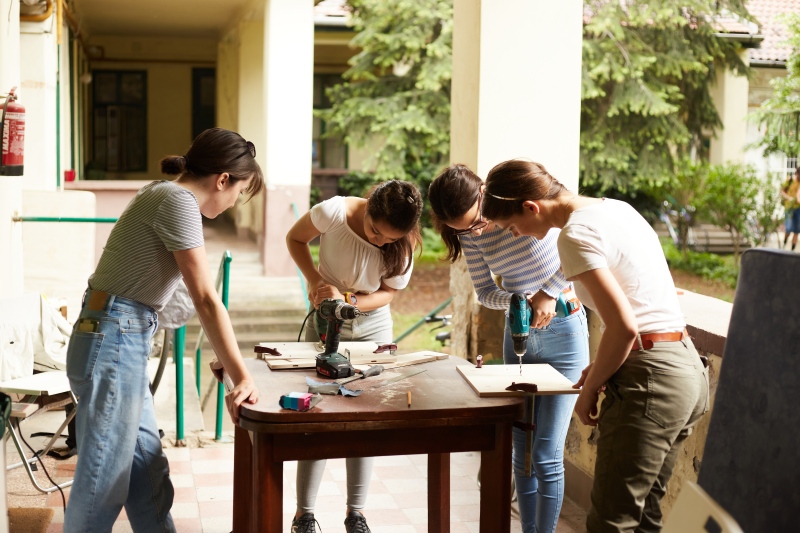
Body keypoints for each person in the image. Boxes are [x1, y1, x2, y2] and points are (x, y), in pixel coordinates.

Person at [482, 159, 709, 533]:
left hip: (650, 377)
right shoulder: (617, 209)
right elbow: (642, 303)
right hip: (684, 368)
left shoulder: (574, 235)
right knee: (644, 516)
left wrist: (587, 390)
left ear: (530, 207)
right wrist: (603, 368)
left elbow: (623, 328)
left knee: (610, 521)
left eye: (512, 226)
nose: (517, 234)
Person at [64, 128, 263, 532]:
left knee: (146, 473)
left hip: (117, 337)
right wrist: (242, 375)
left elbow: (175, 298)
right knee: (103, 481)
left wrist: (226, 359)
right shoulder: (177, 201)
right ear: (223, 179)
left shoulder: (162, 193)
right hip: (114, 339)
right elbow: (206, 298)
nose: (235, 204)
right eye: (239, 193)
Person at [427, 164, 589, 533]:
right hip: (518, 335)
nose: (475, 229)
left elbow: (579, 242)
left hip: (565, 331)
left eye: (476, 220)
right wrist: (520, 297)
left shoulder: (523, 202)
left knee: (546, 455)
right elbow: (485, 293)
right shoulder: (470, 235)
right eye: (462, 229)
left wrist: (551, 291)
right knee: (521, 452)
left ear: (484, 193)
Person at [285, 180, 423, 533]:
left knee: (366, 418)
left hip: (372, 326)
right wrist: (316, 281)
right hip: (326, 317)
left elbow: (389, 292)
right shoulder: (334, 211)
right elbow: (295, 239)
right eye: (375, 230)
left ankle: (356, 514)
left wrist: (354, 303)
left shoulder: (403, 244)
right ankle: (305, 515)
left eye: (388, 239)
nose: (379, 241)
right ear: (368, 208)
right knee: (316, 415)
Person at [780, 168, 800, 251]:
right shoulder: (790, 180)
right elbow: (782, 192)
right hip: (789, 207)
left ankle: (793, 250)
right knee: (788, 228)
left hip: (798, 208)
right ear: (797, 173)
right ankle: (784, 245)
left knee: (797, 230)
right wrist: (789, 198)